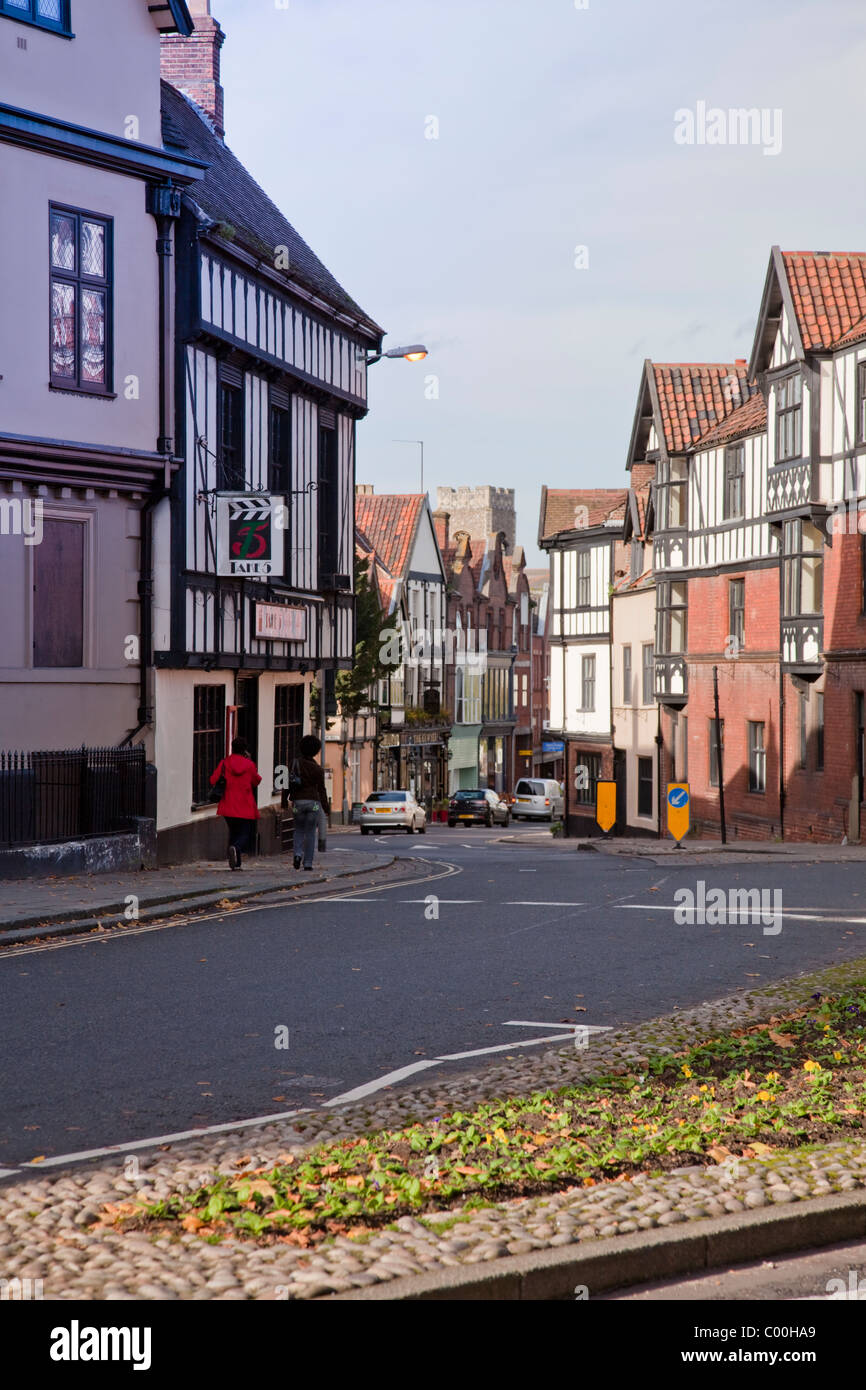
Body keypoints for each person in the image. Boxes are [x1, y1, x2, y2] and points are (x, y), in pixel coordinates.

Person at [210, 736, 262, 870]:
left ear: (232, 748)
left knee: (234, 831)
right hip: (245, 804)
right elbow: (256, 781)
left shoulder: (224, 763)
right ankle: (236, 848)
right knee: (245, 833)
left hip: (228, 804)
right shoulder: (249, 765)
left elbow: (213, 780)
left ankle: (236, 863)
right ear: (245, 750)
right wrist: (250, 762)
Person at [291, 733, 330, 871]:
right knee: (311, 832)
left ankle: (297, 854)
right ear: (316, 751)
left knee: (298, 830)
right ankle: (308, 863)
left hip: (297, 804)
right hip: (313, 803)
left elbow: (287, 783)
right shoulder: (318, 770)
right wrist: (326, 807)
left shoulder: (295, 764)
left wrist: (285, 800)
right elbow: (322, 790)